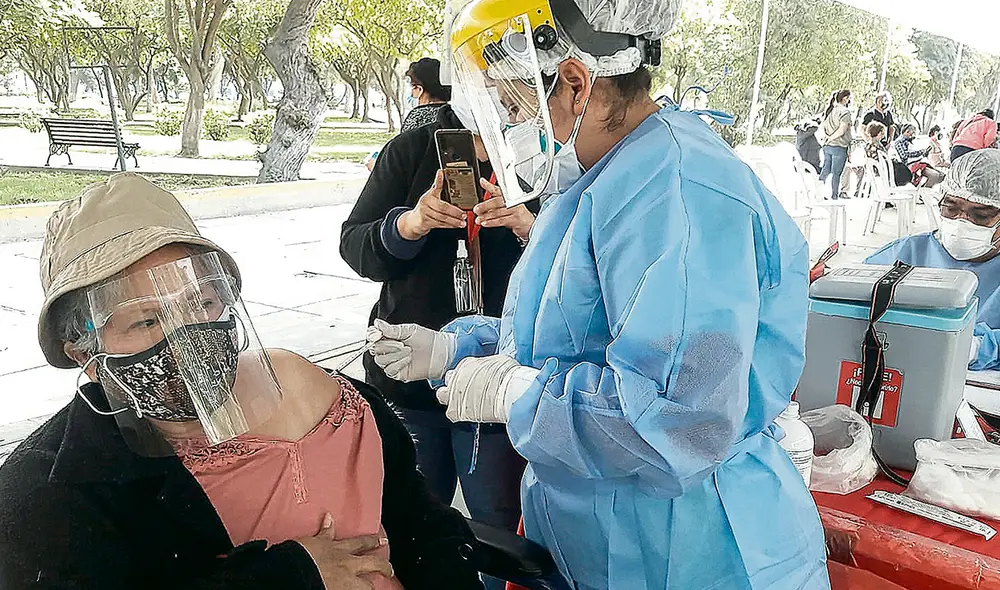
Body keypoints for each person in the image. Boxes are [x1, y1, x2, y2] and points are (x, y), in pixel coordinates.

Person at [371, 0, 830, 588]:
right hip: (605, 536)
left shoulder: (678, 191)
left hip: (688, 548)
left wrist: (516, 391)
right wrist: (453, 351)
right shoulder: (597, 177)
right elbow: (560, 333)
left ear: (572, 81)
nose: (510, 123)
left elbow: (677, 417)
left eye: (512, 103)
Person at [0, 173, 485, 589]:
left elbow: (422, 522)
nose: (187, 338)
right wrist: (291, 576)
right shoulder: (45, 498)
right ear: (85, 353)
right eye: (146, 321)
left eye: (202, 303)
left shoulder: (334, 400)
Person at [339, 88, 533, 590]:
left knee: (498, 520)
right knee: (405, 519)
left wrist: (531, 229)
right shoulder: (411, 151)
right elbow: (355, 245)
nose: (505, 96)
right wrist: (412, 223)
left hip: (497, 386)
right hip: (408, 380)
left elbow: (577, 267)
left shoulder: (542, 157)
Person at [866, 149, 1000, 370]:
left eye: (980, 215)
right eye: (951, 208)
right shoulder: (907, 253)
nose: (962, 221)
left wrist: (980, 348)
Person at [401, 58, 452, 133]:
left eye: (413, 87)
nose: (412, 93)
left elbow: (401, 143)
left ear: (420, 89)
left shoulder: (416, 118)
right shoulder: (455, 117)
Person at [820, 89, 855, 200]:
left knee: (826, 169)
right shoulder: (845, 112)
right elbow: (842, 130)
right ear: (845, 98)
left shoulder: (830, 110)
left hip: (827, 146)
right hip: (839, 146)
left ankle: (817, 191)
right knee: (836, 173)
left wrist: (827, 139)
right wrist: (831, 138)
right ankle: (834, 196)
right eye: (849, 98)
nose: (850, 100)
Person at [894, 123, 944, 188]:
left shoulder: (908, 140)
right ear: (907, 131)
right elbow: (904, 155)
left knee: (941, 176)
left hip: (918, 162)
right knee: (935, 176)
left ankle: (924, 192)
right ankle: (922, 193)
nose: (913, 134)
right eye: (913, 132)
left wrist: (923, 152)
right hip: (909, 165)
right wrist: (920, 152)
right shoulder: (900, 141)